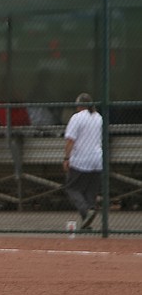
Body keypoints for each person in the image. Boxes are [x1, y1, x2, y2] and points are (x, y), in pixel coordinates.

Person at [63, 92, 104, 230]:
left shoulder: (77, 118)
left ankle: (86, 212)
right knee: (89, 192)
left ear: (79, 105)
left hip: (81, 159)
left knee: (72, 188)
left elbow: (70, 140)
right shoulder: (98, 117)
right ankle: (88, 216)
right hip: (97, 160)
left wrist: (67, 158)